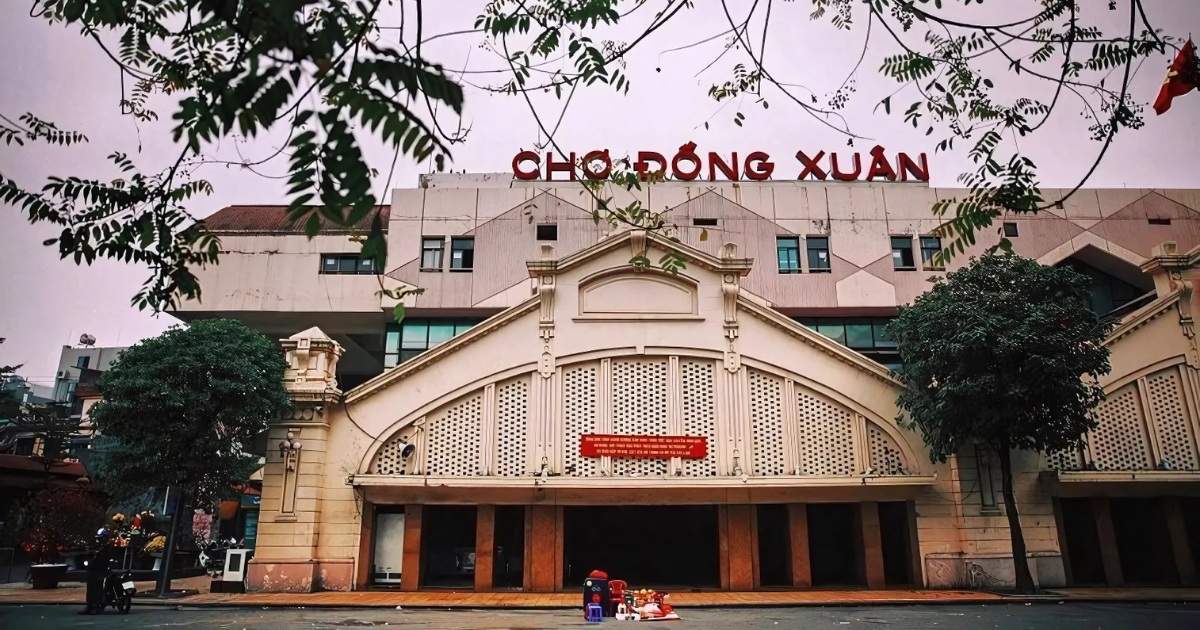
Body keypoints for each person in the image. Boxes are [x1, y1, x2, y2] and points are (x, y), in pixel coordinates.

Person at [81, 528, 117, 614]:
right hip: (92, 569)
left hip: (101, 570)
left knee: (98, 589)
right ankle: (89, 606)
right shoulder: (97, 546)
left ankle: (97, 606)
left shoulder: (109, 547)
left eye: (101, 538)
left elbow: (108, 560)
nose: (99, 540)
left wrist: (105, 570)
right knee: (90, 589)